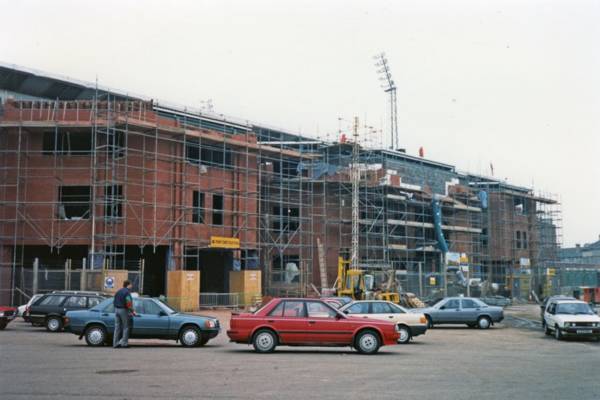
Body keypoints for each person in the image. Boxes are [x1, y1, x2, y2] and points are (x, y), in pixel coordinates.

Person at [113, 280, 136, 348]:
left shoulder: (118, 291)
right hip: (123, 310)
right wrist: (132, 311)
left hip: (116, 309)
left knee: (117, 327)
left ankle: (115, 344)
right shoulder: (127, 292)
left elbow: (114, 300)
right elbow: (128, 303)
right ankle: (124, 344)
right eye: (131, 285)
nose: (131, 286)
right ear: (128, 285)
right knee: (126, 327)